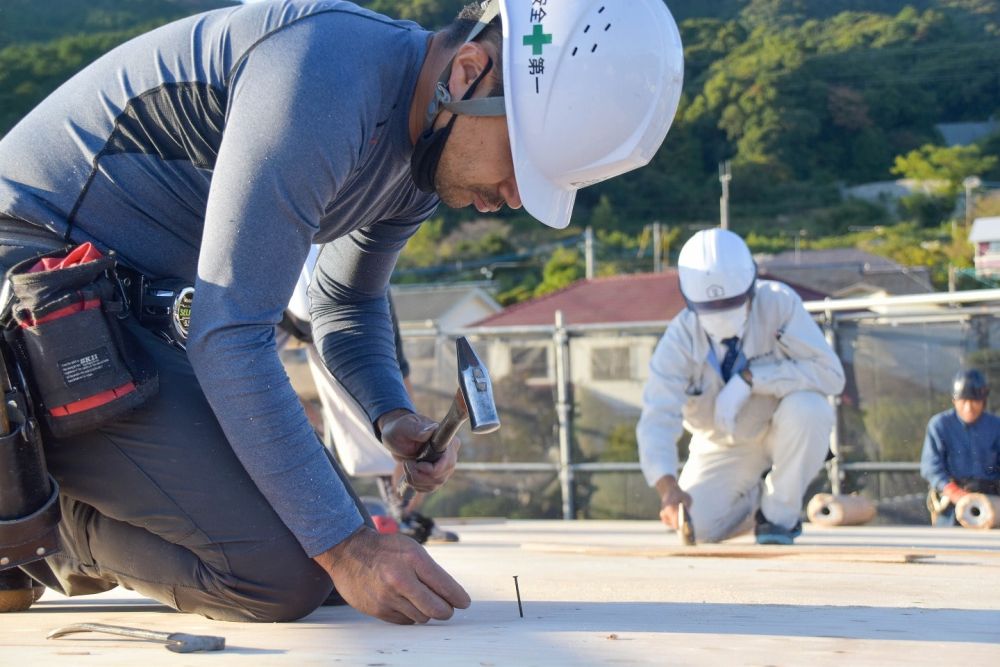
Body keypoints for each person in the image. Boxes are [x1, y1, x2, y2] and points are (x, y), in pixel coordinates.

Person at [0, 0, 684, 623]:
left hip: (105, 307)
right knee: (283, 574)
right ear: (470, 71)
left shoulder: (421, 157)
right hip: (31, 289)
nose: (510, 196)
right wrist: (348, 548)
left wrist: (391, 414)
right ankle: (30, 531)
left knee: (321, 550)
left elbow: (343, 300)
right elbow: (231, 330)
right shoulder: (324, 77)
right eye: (518, 163)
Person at [636, 229, 846, 545]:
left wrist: (753, 379)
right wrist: (668, 489)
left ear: (750, 289)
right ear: (690, 301)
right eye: (710, 308)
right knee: (696, 530)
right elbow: (657, 418)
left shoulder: (779, 303)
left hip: (779, 428)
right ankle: (759, 500)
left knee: (810, 409)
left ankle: (778, 518)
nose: (722, 314)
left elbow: (830, 375)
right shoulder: (678, 341)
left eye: (732, 303)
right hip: (720, 445)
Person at [283, 252, 457, 543]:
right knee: (266, 407)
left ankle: (399, 509)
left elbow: (394, 375)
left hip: (340, 307)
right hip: (276, 307)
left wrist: (406, 445)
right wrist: (295, 408)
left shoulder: (366, 286)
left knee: (373, 402)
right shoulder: (267, 281)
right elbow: (243, 367)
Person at [921, 369, 1000, 527]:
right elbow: (930, 467)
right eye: (963, 401)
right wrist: (953, 492)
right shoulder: (940, 425)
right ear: (954, 400)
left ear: (983, 401)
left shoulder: (996, 426)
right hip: (951, 505)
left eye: (974, 401)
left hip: (991, 503)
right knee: (949, 548)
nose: (968, 407)